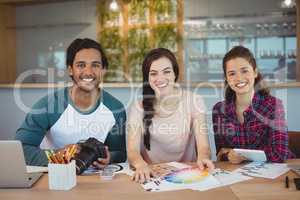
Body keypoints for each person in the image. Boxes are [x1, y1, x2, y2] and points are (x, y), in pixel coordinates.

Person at [15, 38, 127, 168]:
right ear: (70, 70)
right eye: (81, 65)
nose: (88, 72)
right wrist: (58, 155)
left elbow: (119, 153)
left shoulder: (115, 108)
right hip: (52, 178)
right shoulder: (48, 105)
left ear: (103, 70)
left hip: (95, 180)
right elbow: (20, 150)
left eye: (95, 65)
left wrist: (109, 158)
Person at [127, 48, 214, 183]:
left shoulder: (194, 101)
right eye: (153, 74)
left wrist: (203, 157)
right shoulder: (138, 107)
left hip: (187, 176)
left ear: (175, 74)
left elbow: (204, 147)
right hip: (151, 177)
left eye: (166, 72)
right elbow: (132, 152)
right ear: (148, 78)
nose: (160, 78)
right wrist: (141, 165)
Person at [212, 46, 295, 164]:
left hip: (276, 174)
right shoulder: (219, 110)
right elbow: (222, 155)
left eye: (244, 71)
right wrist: (230, 155)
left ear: (255, 72)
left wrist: (243, 156)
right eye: (232, 74)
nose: (239, 78)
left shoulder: (273, 105)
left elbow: (279, 153)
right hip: (239, 175)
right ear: (226, 78)